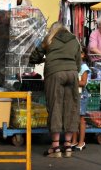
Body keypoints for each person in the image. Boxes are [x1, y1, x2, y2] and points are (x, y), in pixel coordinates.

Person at [29, 22, 80, 158]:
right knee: (71, 107)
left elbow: (34, 56)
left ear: (53, 30)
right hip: (72, 74)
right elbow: (78, 63)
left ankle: (56, 147)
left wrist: (44, 59)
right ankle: (68, 145)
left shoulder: (49, 38)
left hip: (55, 73)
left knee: (55, 106)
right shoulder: (74, 39)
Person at [70, 49, 90, 151]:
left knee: (81, 119)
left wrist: (71, 81)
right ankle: (73, 141)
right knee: (73, 118)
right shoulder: (73, 66)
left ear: (83, 55)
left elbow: (83, 82)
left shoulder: (83, 67)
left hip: (81, 95)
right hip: (73, 94)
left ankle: (81, 142)